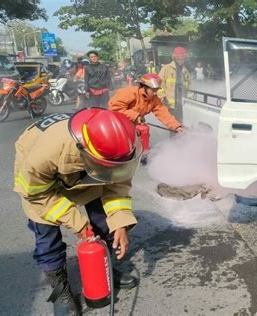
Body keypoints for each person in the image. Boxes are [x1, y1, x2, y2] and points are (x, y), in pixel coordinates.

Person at [14, 109, 142, 314]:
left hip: (91, 161)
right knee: (47, 238)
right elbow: (37, 195)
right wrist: (79, 224)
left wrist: (120, 223)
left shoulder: (123, 144)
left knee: (105, 223)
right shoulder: (44, 156)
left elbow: (118, 182)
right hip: (41, 186)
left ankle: (105, 270)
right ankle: (59, 292)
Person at [108, 73, 183, 133]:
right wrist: (136, 116)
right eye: (153, 90)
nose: (155, 93)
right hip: (116, 124)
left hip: (133, 124)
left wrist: (176, 126)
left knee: (144, 134)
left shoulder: (154, 99)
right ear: (144, 87)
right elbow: (115, 109)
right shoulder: (129, 93)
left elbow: (163, 113)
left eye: (156, 90)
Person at [158, 47, 191, 121]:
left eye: (183, 59)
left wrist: (190, 100)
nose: (181, 61)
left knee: (181, 123)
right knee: (172, 124)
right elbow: (159, 84)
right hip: (169, 104)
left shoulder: (185, 71)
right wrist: (162, 96)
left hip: (181, 104)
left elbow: (189, 86)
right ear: (174, 58)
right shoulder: (166, 69)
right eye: (179, 58)